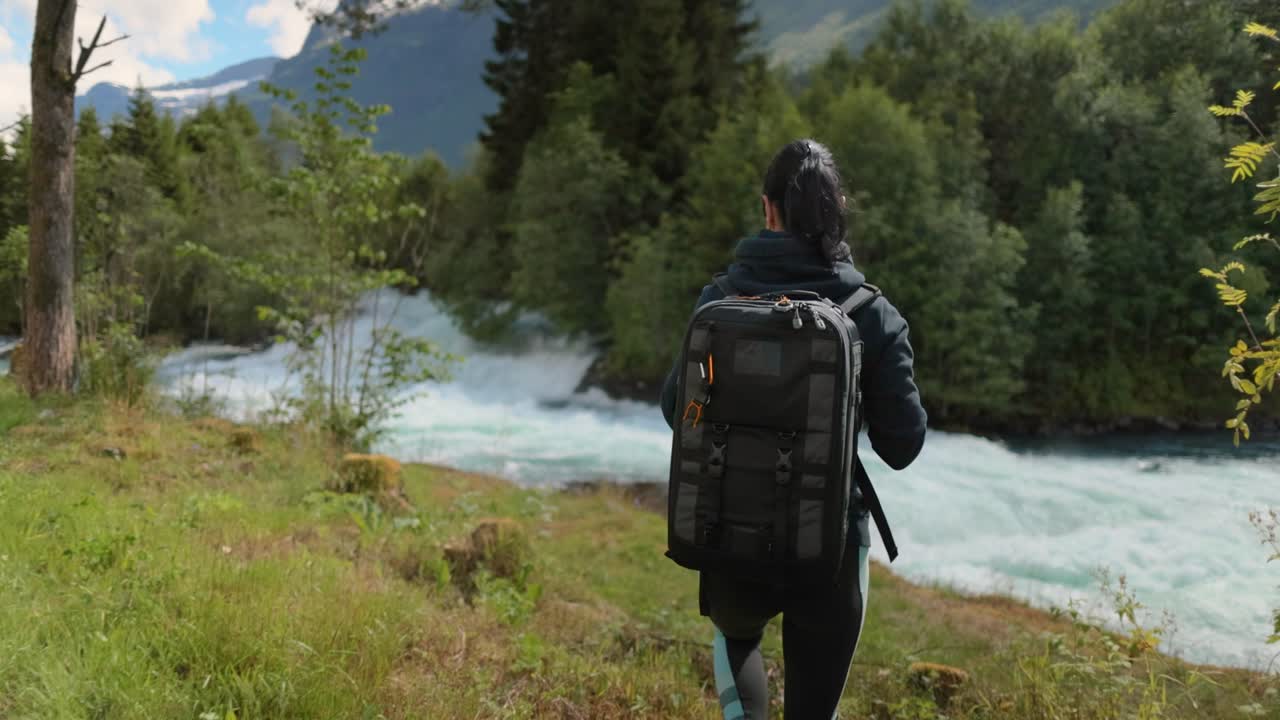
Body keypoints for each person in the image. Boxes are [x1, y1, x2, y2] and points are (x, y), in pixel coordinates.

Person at [659, 139, 928, 719]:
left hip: (727, 530)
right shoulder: (871, 312)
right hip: (826, 549)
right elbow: (902, 447)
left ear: (768, 210)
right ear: (838, 212)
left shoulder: (721, 298)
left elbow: (670, 409)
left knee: (737, 639)